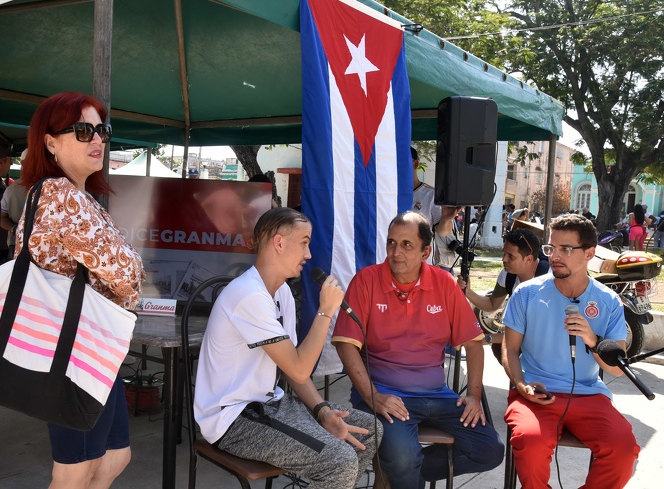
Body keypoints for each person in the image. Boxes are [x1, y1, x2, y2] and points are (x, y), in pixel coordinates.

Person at [194, 207, 381, 488]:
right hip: (234, 419)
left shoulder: (281, 292)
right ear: (279, 243)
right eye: (304, 243)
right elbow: (299, 366)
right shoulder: (247, 295)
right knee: (338, 461)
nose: (308, 254)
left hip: (271, 405)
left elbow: (294, 372)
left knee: (370, 431)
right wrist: (325, 312)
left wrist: (322, 411)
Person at [17, 92, 146, 489]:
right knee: (74, 473)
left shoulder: (77, 196)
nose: (97, 139)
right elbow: (128, 275)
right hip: (74, 352)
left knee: (115, 455)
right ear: (50, 142)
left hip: (93, 348)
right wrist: (130, 273)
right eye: (83, 130)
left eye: (102, 130)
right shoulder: (60, 194)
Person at [332, 211, 504, 489]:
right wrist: (373, 395)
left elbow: (474, 344)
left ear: (426, 251)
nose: (395, 251)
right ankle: (399, 469)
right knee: (401, 458)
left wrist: (472, 396)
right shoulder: (366, 280)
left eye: (406, 244)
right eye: (391, 243)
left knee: (490, 449)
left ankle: (398, 473)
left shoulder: (445, 283)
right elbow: (344, 343)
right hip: (386, 396)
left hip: (438, 395)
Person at [502, 214, 639, 489]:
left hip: (589, 394)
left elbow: (615, 369)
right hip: (537, 393)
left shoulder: (608, 301)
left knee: (624, 449)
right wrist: (521, 384)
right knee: (530, 442)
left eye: (566, 249)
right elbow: (510, 348)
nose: (555, 256)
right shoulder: (526, 293)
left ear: (589, 253)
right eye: (551, 248)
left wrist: (592, 339)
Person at [458, 229, 550, 362]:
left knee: (502, 344)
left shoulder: (549, 278)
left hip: (549, 348)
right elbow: (492, 305)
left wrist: (489, 338)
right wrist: (468, 292)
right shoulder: (508, 275)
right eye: (504, 253)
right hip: (526, 341)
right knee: (500, 348)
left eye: (511, 256)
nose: (503, 259)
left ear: (529, 259)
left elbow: (540, 334)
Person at [410, 147, 456, 266]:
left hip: (421, 264)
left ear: (415, 164)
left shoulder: (431, 195)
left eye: (402, 160)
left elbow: (442, 231)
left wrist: (445, 219)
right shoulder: (387, 195)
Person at [0, 148, 29, 259]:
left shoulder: (12, 189)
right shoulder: (12, 189)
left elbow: (2, 217)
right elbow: (1, 217)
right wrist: (15, 228)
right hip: (18, 246)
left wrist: (14, 228)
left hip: (16, 246)